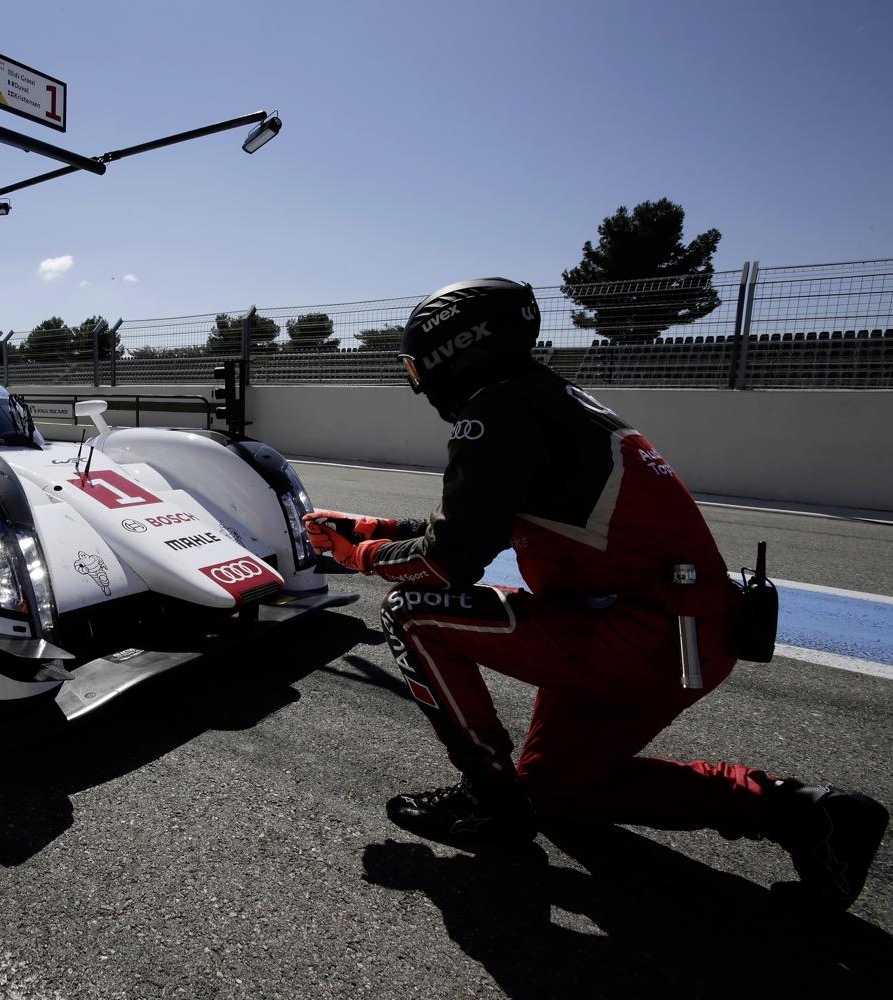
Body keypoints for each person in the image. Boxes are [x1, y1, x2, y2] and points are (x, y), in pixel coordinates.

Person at [304, 277, 887, 911]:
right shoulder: (548, 400)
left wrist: (356, 554)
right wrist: (369, 528)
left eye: (416, 366)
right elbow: (478, 526)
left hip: (642, 632)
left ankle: (489, 802)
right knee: (558, 790)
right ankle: (802, 814)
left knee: (411, 614)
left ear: (453, 352)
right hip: (676, 629)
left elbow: (447, 565)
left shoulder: (495, 412)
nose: (418, 384)